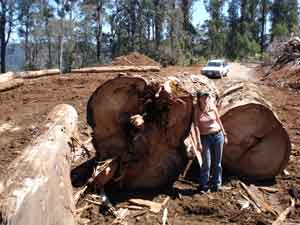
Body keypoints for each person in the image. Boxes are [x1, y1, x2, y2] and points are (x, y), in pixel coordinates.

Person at [193, 91, 228, 192]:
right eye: (203, 97)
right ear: (199, 98)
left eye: (206, 96)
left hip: (218, 135)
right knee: (206, 163)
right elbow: (195, 125)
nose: (205, 98)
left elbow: (218, 120)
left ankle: (216, 184)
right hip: (205, 138)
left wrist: (224, 134)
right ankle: (203, 185)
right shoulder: (196, 109)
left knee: (217, 162)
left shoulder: (212, 105)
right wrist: (198, 142)